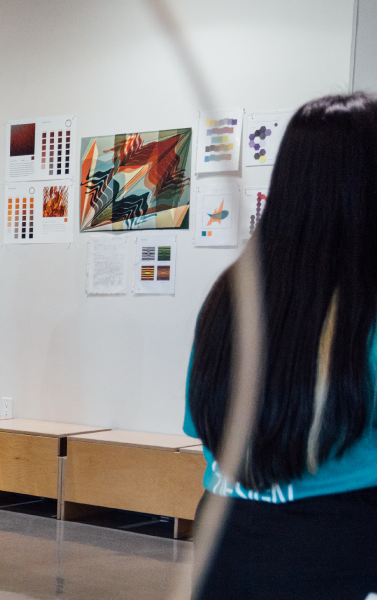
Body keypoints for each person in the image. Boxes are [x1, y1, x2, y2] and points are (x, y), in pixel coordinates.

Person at [185, 93, 377, 599]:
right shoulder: (365, 305)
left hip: (225, 548)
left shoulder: (229, 297)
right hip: (341, 551)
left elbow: (201, 425)